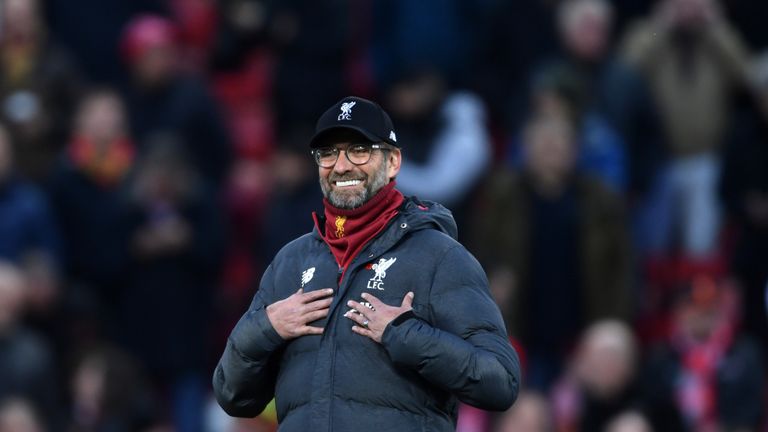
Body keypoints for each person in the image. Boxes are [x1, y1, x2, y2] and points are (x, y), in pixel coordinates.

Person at [213, 96, 520, 431]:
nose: (341, 166)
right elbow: (232, 395)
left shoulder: (439, 256)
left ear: (393, 162)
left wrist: (405, 335)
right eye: (328, 153)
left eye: (359, 150)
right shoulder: (289, 262)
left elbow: (500, 382)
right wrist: (265, 328)